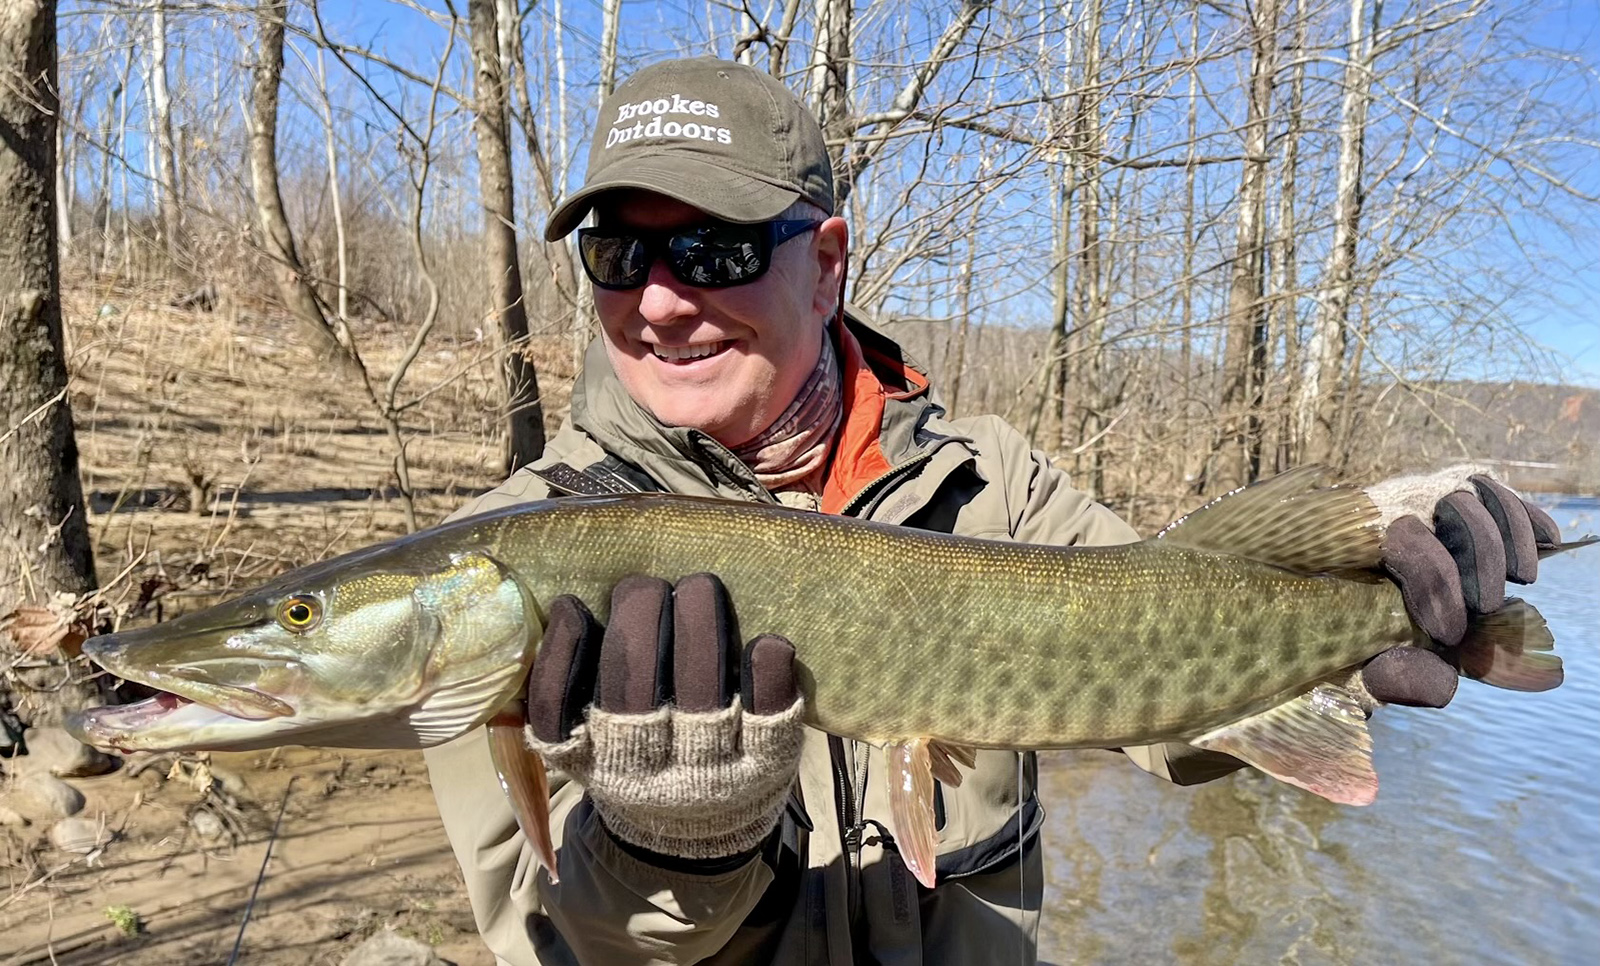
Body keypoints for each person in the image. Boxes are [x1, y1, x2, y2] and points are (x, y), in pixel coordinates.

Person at [422, 57, 1568, 965]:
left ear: (825, 267)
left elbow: (1166, 686)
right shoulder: (511, 561)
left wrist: (1378, 545)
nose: (661, 301)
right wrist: (668, 851)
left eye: (713, 249)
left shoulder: (991, 484)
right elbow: (546, 941)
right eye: (620, 253)